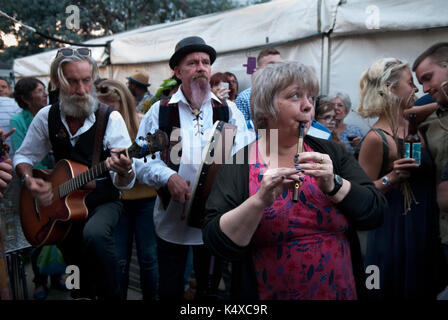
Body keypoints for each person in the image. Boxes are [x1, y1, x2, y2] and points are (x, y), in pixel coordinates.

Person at [202, 60, 387, 300]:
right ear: (266, 106)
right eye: (295, 95)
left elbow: (375, 211)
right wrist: (259, 201)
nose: (308, 105)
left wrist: (334, 185)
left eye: (311, 97)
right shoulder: (240, 163)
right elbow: (217, 242)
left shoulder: (332, 153)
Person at [135, 36, 254, 301]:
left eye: (205, 62)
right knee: (170, 289)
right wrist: (168, 177)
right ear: (177, 72)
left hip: (215, 221)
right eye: (192, 63)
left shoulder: (227, 111)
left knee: (209, 292)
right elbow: (141, 161)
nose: (201, 67)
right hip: (171, 222)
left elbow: (245, 158)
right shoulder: (161, 112)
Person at [13, 47, 136, 300]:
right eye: (72, 81)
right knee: (73, 262)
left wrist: (124, 171)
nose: (81, 89)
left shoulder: (109, 118)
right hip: (62, 207)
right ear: (58, 81)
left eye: (86, 80)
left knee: (95, 235)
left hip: (103, 200)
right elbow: (24, 156)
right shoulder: (46, 117)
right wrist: (29, 180)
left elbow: (123, 182)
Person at [357, 57, 446, 299]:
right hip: (395, 230)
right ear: (391, 88)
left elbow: (436, 105)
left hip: (425, 226)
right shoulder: (377, 138)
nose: (417, 89)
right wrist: (392, 177)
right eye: (410, 83)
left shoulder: (416, 126)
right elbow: (361, 196)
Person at [96, 79, 159, 300]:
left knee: (149, 257)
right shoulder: (97, 128)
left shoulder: (143, 123)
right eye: (101, 106)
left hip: (145, 200)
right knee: (119, 259)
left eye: (112, 106)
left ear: (124, 103)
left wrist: (133, 168)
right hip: (116, 202)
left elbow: (155, 164)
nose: (106, 112)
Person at [10, 77, 68, 300]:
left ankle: (62, 277)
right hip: (35, 186)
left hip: (60, 183)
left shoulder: (56, 115)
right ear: (25, 99)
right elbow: (24, 153)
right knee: (38, 235)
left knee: (63, 232)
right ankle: (39, 281)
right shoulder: (19, 120)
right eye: (39, 91)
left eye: (45, 90)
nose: (45, 94)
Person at [413, 43, 448, 258]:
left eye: (427, 78)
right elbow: (416, 161)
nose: (424, 89)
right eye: (417, 84)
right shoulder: (428, 121)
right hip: (443, 232)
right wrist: (409, 122)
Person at [235, 47, 282, 123]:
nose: (277, 69)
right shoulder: (244, 98)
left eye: (280, 65)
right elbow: (240, 129)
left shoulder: (291, 95)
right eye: (271, 66)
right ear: (258, 70)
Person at [0, 79, 21, 158]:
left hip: (14, 154)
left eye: (3, 87)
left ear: (10, 90)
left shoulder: (16, 105)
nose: (0, 89)